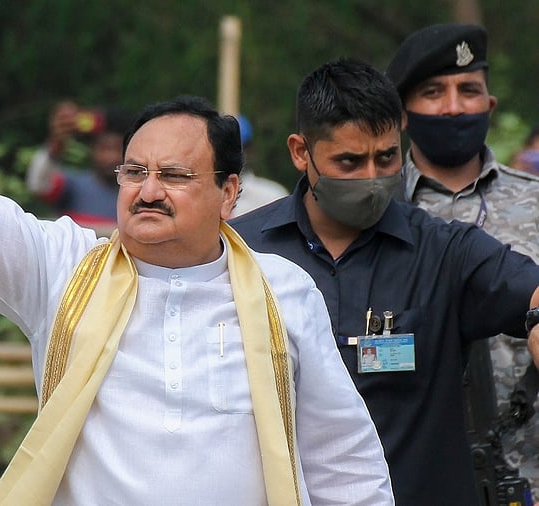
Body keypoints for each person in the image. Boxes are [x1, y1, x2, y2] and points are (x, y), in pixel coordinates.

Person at [0, 8, 394, 505]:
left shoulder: (282, 290)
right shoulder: (63, 268)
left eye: (174, 175)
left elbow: (344, 462)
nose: (147, 190)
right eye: (134, 172)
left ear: (229, 193)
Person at [229, 58, 539, 505]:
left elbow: (526, 287)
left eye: (386, 157)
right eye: (349, 162)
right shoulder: (242, 253)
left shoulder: (444, 252)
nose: (372, 179)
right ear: (301, 152)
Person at [386, 23, 539, 497]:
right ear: (403, 114)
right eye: (433, 92)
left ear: (489, 105)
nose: (454, 107)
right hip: (409, 477)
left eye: (469, 90)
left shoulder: (534, 203)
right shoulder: (376, 211)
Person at [26, 100, 129, 232]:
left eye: (117, 149)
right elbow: (38, 184)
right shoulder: (72, 187)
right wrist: (57, 143)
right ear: (92, 150)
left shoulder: (140, 193)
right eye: (104, 148)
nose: (111, 157)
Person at [231, 114, 289, 217]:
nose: (230, 156)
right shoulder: (203, 197)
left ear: (250, 150)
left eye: (239, 149)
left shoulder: (272, 198)